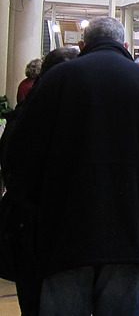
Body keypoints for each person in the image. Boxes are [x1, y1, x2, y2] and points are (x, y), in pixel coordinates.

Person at [0, 16, 139, 316]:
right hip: (129, 234)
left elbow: (18, 155)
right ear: (125, 46)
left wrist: (39, 202)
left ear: (83, 44)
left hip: (64, 234)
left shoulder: (55, 81)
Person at [0, 45, 79, 316]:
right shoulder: (59, 113)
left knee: (34, 300)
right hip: (47, 228)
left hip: (29, 226)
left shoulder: (26, 109)